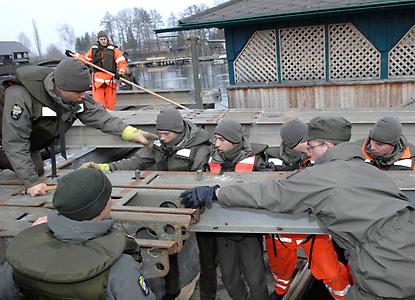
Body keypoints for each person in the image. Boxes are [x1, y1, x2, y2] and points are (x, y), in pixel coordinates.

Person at [181, 116, 415, 299]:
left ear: (327, 145)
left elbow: (273, 194)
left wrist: (215, 192)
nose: (309, 152)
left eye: (311, 146)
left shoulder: (323, 174)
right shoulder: (369, 169)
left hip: (385, 263)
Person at [82, 107, 211, 300]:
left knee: (205, 254)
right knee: (168, 251)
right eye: (160, 133)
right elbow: (137, 162)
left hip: (188, 203)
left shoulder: (200, 148)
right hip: (164, 203)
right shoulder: (159, 144)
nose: (162, 138)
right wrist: (107, 167)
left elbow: (203, 180)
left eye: (166, 134)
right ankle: (171, 291)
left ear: (179, 132)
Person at [1, 58, 154, 197]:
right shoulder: (19, 95)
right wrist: (32, 183)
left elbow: (99, 116)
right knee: (29, 174)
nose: (83, 96)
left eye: (85, 92)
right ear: (60, 87)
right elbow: (14, 142)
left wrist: (131, 133)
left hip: (31, 142)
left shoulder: (74, 95)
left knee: (36, 170)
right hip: (8, 138)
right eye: (78, 92)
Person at [0, 168, 156, 300]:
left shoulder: (21, 254)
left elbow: (5, 291)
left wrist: (33, 236)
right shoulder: (120, 267)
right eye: (108, 197)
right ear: (101, 208)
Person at [259, 119, 350, 300]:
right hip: (282, 228)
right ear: (294, 144)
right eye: (307, 142)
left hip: (314, 227)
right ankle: (281, 292)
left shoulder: (321, 157)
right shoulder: (272, 159)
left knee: (331, 271)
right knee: (281, 270)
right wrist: (264, 175)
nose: (311, 145)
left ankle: (343, 296)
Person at [201, 119, 269, 300]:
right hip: (222, 228)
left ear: (234, 140)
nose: (216, 144)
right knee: (229, 278)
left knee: (255, 279)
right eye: (216, 139)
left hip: (248, 228)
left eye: (221, 140)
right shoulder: (210, 159)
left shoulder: (257, 160)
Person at [68, 30, 127, 111]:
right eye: (101, 39)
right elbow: (86, 60)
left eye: (104, 39)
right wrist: (75, 55)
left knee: (110, 105)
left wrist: (120, 73)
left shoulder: (114, 50)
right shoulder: (93, 50)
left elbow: (122, 63)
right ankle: (101, 119)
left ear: (107, 39)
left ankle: (110, 120)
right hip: (98, 83)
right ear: (98, 40)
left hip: (110, 81)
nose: (103, 41)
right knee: (98, 105)